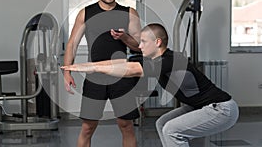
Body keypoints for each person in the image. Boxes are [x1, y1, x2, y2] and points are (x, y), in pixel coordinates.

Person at [62, 23, 239, 147]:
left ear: (158, 42)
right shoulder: (152, 58)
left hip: (221, 109)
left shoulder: (170, 60)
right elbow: (120, 62)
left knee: (171, 130)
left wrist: (94, 68)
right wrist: (87, 67)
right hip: (198, 107)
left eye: (144, 42)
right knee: (163, 123)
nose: (139, 45)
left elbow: (129, 70)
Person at [63, 0, 141, 147]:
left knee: (126, 125)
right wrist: (67, 72)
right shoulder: (86, 13)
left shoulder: (129, 12)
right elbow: (72, 45)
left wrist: (124, 38)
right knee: (88, 127)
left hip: (122, 75)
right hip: (95, 77)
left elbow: (139, 46)